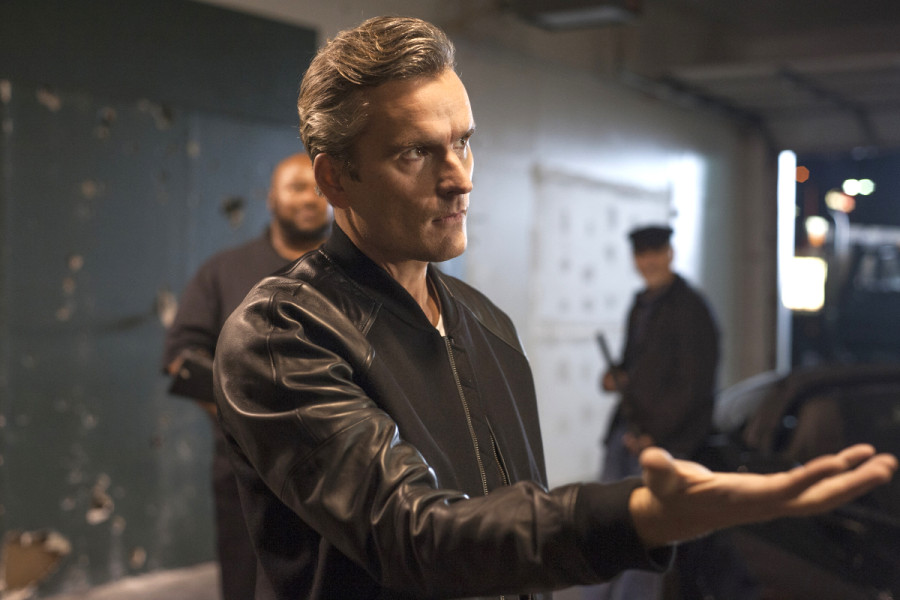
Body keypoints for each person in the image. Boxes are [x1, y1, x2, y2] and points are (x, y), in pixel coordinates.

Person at [213, 15, 897, 600]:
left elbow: (513, 550)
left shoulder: (486, 324)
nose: (459, 178)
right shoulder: (283, 334)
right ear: (336, 178)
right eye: (416, 153)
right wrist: (635, 517)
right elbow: (416, 538)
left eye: (463, 142)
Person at [162, 152, 331, 599]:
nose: (309, 199)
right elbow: (182, 356)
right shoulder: (224, 271)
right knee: (246, 584)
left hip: (338, 467)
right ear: (271, 198)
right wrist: (240, 419)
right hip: (247, 471)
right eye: (296, 187)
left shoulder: (356, 270)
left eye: (318, 189)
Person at [593, 225, 756, 599]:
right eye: (641, 255)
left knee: (646, 535)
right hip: (626, 432)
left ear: (669, 253)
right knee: (605, 525)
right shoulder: (641, 304)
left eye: (655, 253)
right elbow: (633, 363)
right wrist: (615, 377)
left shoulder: (691, 308)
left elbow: (694, 386)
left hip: (661, 442)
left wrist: (655, 436)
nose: (648, 262)